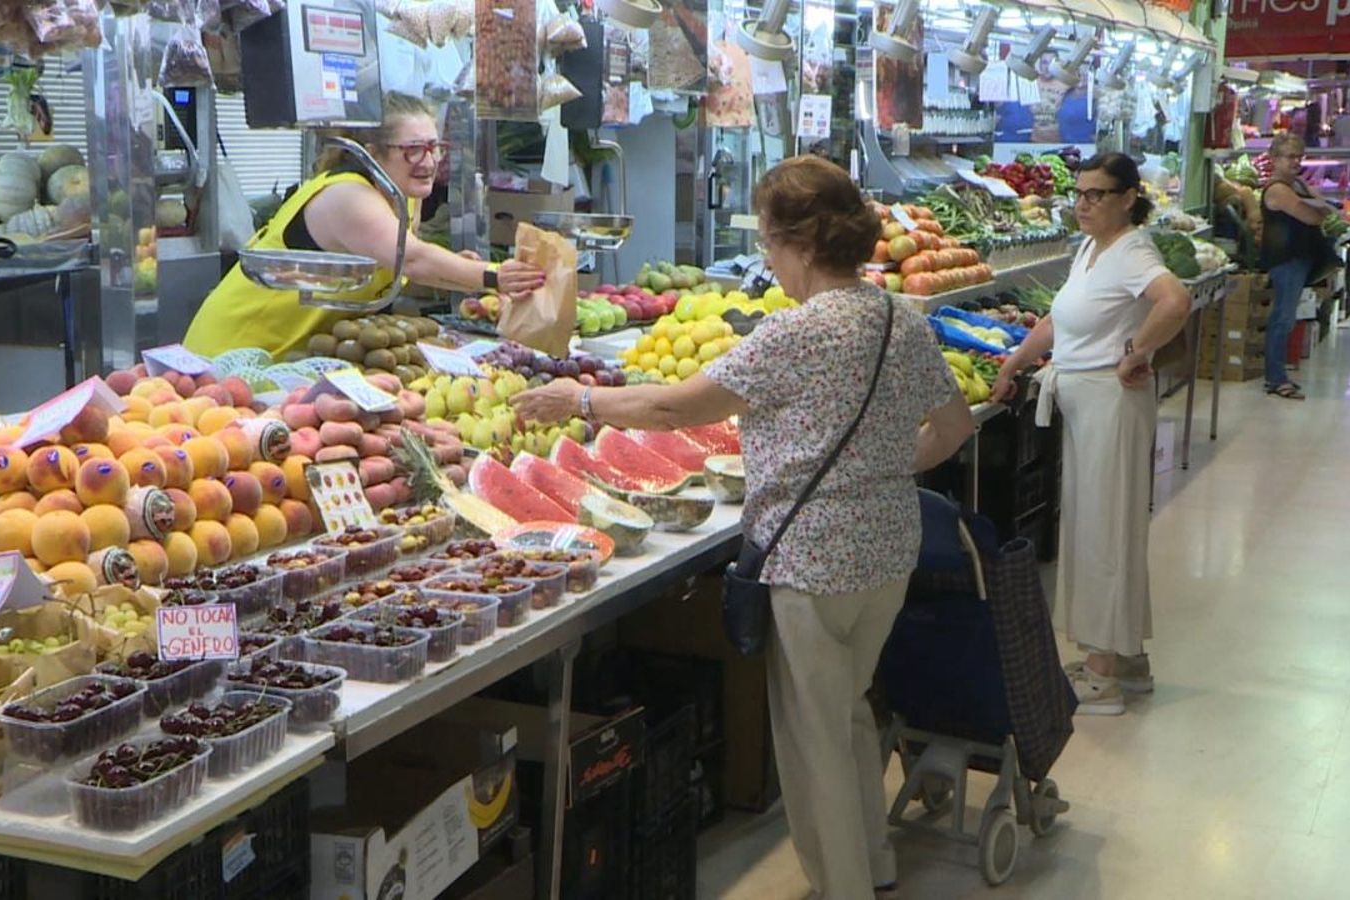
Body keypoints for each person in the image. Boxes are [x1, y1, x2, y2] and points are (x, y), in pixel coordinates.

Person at [513, 156, 975, 900]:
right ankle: (877, 862)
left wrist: (581, 403)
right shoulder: (901, 318)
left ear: (803, 242)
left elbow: (677, 408)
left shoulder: (794, 334)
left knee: (811, 739)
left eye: (768, 240)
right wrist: (879, 471)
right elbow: (952, 428)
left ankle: (843, 886)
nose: (766, 255)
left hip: (812, 565)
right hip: (889, 550)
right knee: (849, 710)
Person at [992, 153, 1191, 715]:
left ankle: (1102, 674)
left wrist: (1138, 350)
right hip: (1085, 401)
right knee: (1096, 524)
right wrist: (1013, 363)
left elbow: (1175, 301)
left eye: (1096, 195)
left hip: (1111, 402)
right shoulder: (1091, 248)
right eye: (1079, 194)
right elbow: (1059, 320)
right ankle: (1124, 655)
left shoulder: (1132, 251)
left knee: (1105, 527)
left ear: (1128, 198)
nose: (1083, 204)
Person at [184, 93, 543, 357]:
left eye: (435, 147)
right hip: (231, 349)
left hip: (286, 355)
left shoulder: (403, 195)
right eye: (414, 149)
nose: (430, 161)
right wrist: (495, 276)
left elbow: (401, 262)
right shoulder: (347, 195)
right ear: (373, 151)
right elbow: (413, 259)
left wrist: (466, 270)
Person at [1258, 133, 1334, 400]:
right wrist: (1320, 211)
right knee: (1283, 318)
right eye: (1290, 157)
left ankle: (1277, 375)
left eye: (1299, 157)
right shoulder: (1278, 189)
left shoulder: (1297, 184)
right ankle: (1276, 378)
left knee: (1287, 317)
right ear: (1274, 159)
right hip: (1285, 260)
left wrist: (1322, 209)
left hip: (1299, 258)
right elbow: (1312, 215)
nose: (1296, 162)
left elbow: (1323, 206)